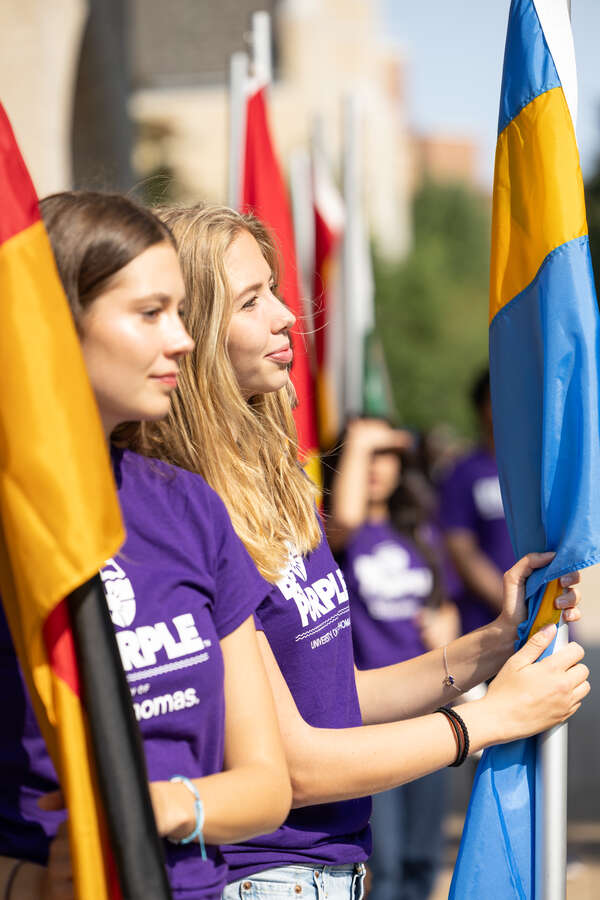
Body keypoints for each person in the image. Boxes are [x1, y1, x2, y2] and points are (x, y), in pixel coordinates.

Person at [130, 203, 586, 900]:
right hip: (258, 875)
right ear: (187, 334)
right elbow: (295, 764)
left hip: (330, 869)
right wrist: (490, 719)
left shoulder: (274, 488)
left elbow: (339, 695)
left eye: (275, 289)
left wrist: (493, 643)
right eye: (252, 300)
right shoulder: (188, 508)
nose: (288, 316)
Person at [0, 192, 291, 900]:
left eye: (182, 312)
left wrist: (157, 807)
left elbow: (266, 785)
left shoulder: (187, 507)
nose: (184, 340)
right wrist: (28, 882)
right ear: (57, 322)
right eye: (150, 313)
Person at [325, 417, 459, 900]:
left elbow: (444, 602)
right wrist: (364, 440)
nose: (378, 467)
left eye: (388, 455)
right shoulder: (333, 537)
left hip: (428, 710)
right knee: (388, 863)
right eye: (367, 454)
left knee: (424, 859)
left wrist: (448, 623)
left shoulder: (419, 533)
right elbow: (348, 517)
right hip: (370, 719)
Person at [439, 369, 514, 635]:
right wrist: (513, 607)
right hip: (487, 626)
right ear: (481, 408)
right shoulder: (463, 473)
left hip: (548, 619)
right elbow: (461, 549)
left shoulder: (541, 471)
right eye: (497, 400)